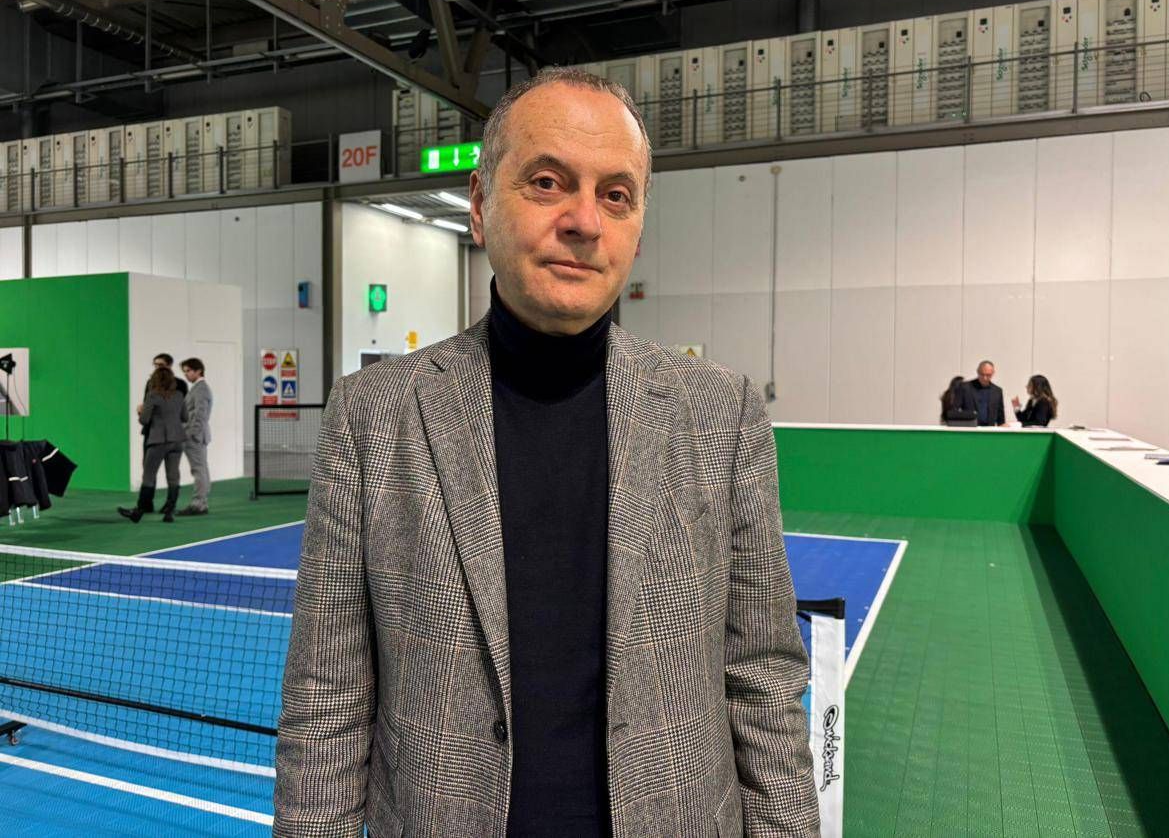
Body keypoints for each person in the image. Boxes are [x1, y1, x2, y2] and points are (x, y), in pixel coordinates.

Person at [274, 69, 820, 838]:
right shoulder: (373, 416)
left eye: (616, 195)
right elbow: (326, 697)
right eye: (547, 182)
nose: (584, 221)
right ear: (479, 204)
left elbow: (762, 678)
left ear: (636, 228)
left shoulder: (719, 413)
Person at [119, 367, 186, 523]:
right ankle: (169, 512)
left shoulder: (152, 395)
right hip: (177, 440)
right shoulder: (179, 395)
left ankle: (139, 511)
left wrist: (140, 411)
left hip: (158, 441)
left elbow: (144, 420)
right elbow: (185, 417)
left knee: (148, 476)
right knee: (173, 476)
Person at [178, 357, 212, 515]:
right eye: (184, 371)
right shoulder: (198, 388)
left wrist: (191, 434)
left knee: (198, 470)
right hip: (197, 435)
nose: (186, 374)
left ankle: (198, 504)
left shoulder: (201, 389)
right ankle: (201, 502)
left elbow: (200, 415)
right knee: (201, 469)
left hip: (194, 437)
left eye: (189, 371)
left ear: (199, 371)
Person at [959, 360, 1006, 426]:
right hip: (970, 428)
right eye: (982, 374)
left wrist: (1002, 425)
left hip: (989, 429)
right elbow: (955, 411)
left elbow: (1000, 415)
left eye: (988, 375)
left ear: (993, 373)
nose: (985, 378)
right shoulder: (965, 387)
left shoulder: (997, 391)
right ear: (977, 372)